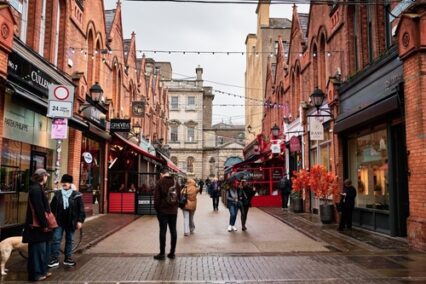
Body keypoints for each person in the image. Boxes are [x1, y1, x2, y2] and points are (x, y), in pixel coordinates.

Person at [22, 169, 53, 281]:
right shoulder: (36, 189)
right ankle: (36, 274)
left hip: (39, 226)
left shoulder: (38, 188)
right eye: (46, 176)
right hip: (36, 226)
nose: (47, 178)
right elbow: (39, 208)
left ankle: (42, 271)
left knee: (42, 250)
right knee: (37, 251)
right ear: (42, 176)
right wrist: (45, 224)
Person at [48, 174, 85, 268]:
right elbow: (51, 209)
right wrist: (51, 220)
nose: (65, 184)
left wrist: (80, 221)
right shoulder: (57, 195)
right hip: (58, 222)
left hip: (71, 222)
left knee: (70, 240)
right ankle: (54, 259)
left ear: (70, 184)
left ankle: (68, 258)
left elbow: (81, 210)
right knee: (56, 239)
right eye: (63, 182)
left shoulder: (76, 195)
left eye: (67, 182)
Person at [153, 168, 180, 260]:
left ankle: (162, 254)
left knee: (163, 231)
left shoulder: (160, 182)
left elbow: (156, 198)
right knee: (173, 231)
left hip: (163, 211)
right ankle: (172, 253)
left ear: (161, 174)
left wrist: (157, 209)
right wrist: (175, 207)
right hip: (173, 211)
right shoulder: (176, 182)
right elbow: (179, 197)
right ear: (169, 174)